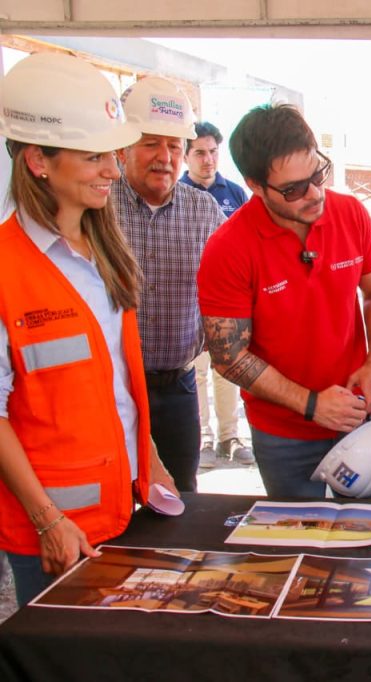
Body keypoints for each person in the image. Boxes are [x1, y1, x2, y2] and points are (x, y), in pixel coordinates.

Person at [0, 53, 176, 606]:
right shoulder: (6, 268)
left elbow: (117, 386)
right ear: (38, 160)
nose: (112, 171)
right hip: (58, 533)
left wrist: (152, 463)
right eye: (95, 156)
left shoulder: (105, 254)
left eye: (111, 155)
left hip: (127, 506)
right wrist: (48, 520)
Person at [198, 104, 371, 499]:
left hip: (356, 417)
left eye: (318, 174)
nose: (315, 194)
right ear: (255, 185)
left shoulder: (350, 214)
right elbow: (228, 356)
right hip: (283, 436)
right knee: (297, 534)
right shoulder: (228, 248)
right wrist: (311, 404)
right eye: (293, 189)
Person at [113, 77, 225, 493]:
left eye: (175, 146)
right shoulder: (98, 207)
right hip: (112, 390)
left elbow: (238, 279)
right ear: (122, 149)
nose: (165, 157)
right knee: (116, 497)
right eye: (151, 144)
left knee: (182, 498)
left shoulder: (203, 210)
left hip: (177, 388)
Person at [179, 121, 253, 468]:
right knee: (197, 372)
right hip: (189, 302)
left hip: (227, 302)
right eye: (199, 153)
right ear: (186, 156)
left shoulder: (235, 194)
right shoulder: (176, 193)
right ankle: (203, 437)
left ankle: (229, 436)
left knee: (229, 369)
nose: (207, 159)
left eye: (212, 152)